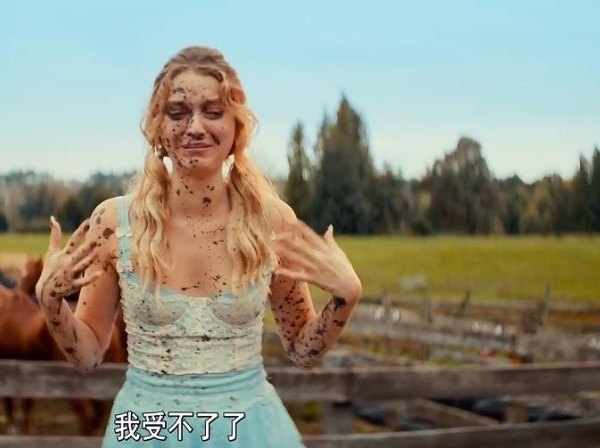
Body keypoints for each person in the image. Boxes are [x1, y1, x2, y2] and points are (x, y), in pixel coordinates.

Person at [35, 46, 363, 447]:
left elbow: (302, 351)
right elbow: (87, 356)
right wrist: (50, 302)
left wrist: (346, 297)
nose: (195, 127)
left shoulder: (272, 222)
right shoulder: (114, 224)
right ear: (158, 126)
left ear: (236, 127)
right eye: (178, 112)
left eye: (213, 111)